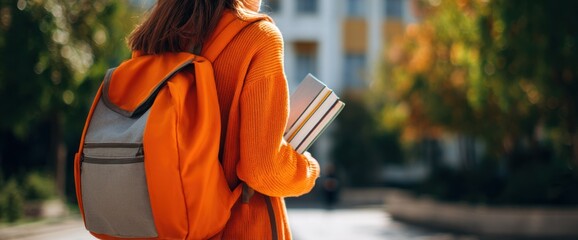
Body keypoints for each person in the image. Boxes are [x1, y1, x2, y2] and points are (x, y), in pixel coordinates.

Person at [127, 0, 320, 239]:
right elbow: (262, 169)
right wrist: (307, 169)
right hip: (237, 228)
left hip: (162, 226)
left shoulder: (156, 34)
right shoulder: (258, 37)